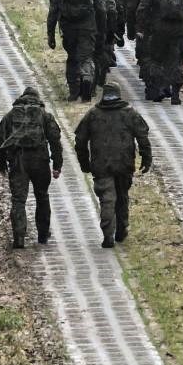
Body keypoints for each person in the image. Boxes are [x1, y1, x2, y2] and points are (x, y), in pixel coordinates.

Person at [74, 81, 152, 248]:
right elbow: (143, 137)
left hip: (101, 165)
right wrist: (146, 158)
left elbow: (80, 140)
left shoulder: (93, 114)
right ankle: (121, 229)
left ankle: (108, 233)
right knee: (122, 197)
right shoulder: (130, 113)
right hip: (124, 164)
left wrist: (84, 163)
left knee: (107, 199)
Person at [0, 87, 64, 248]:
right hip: (40, 160)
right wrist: (57, 165)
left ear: (22, 98)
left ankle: (19, 238)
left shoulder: (11, 115)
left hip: (18, 161)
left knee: (18, 200)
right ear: (37, 99)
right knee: (42, 196)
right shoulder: (44, 115)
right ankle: (43, 235)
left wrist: (2, 163)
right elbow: (55, 141)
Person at [48, 0, 106, 101]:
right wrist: (102, 29)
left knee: (72, 58)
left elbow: (53, 12)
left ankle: (74, 91)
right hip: (87, 27)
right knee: (86, 57)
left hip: (68, 28)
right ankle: (87, 78)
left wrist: (50, 35)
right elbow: (101, 9)